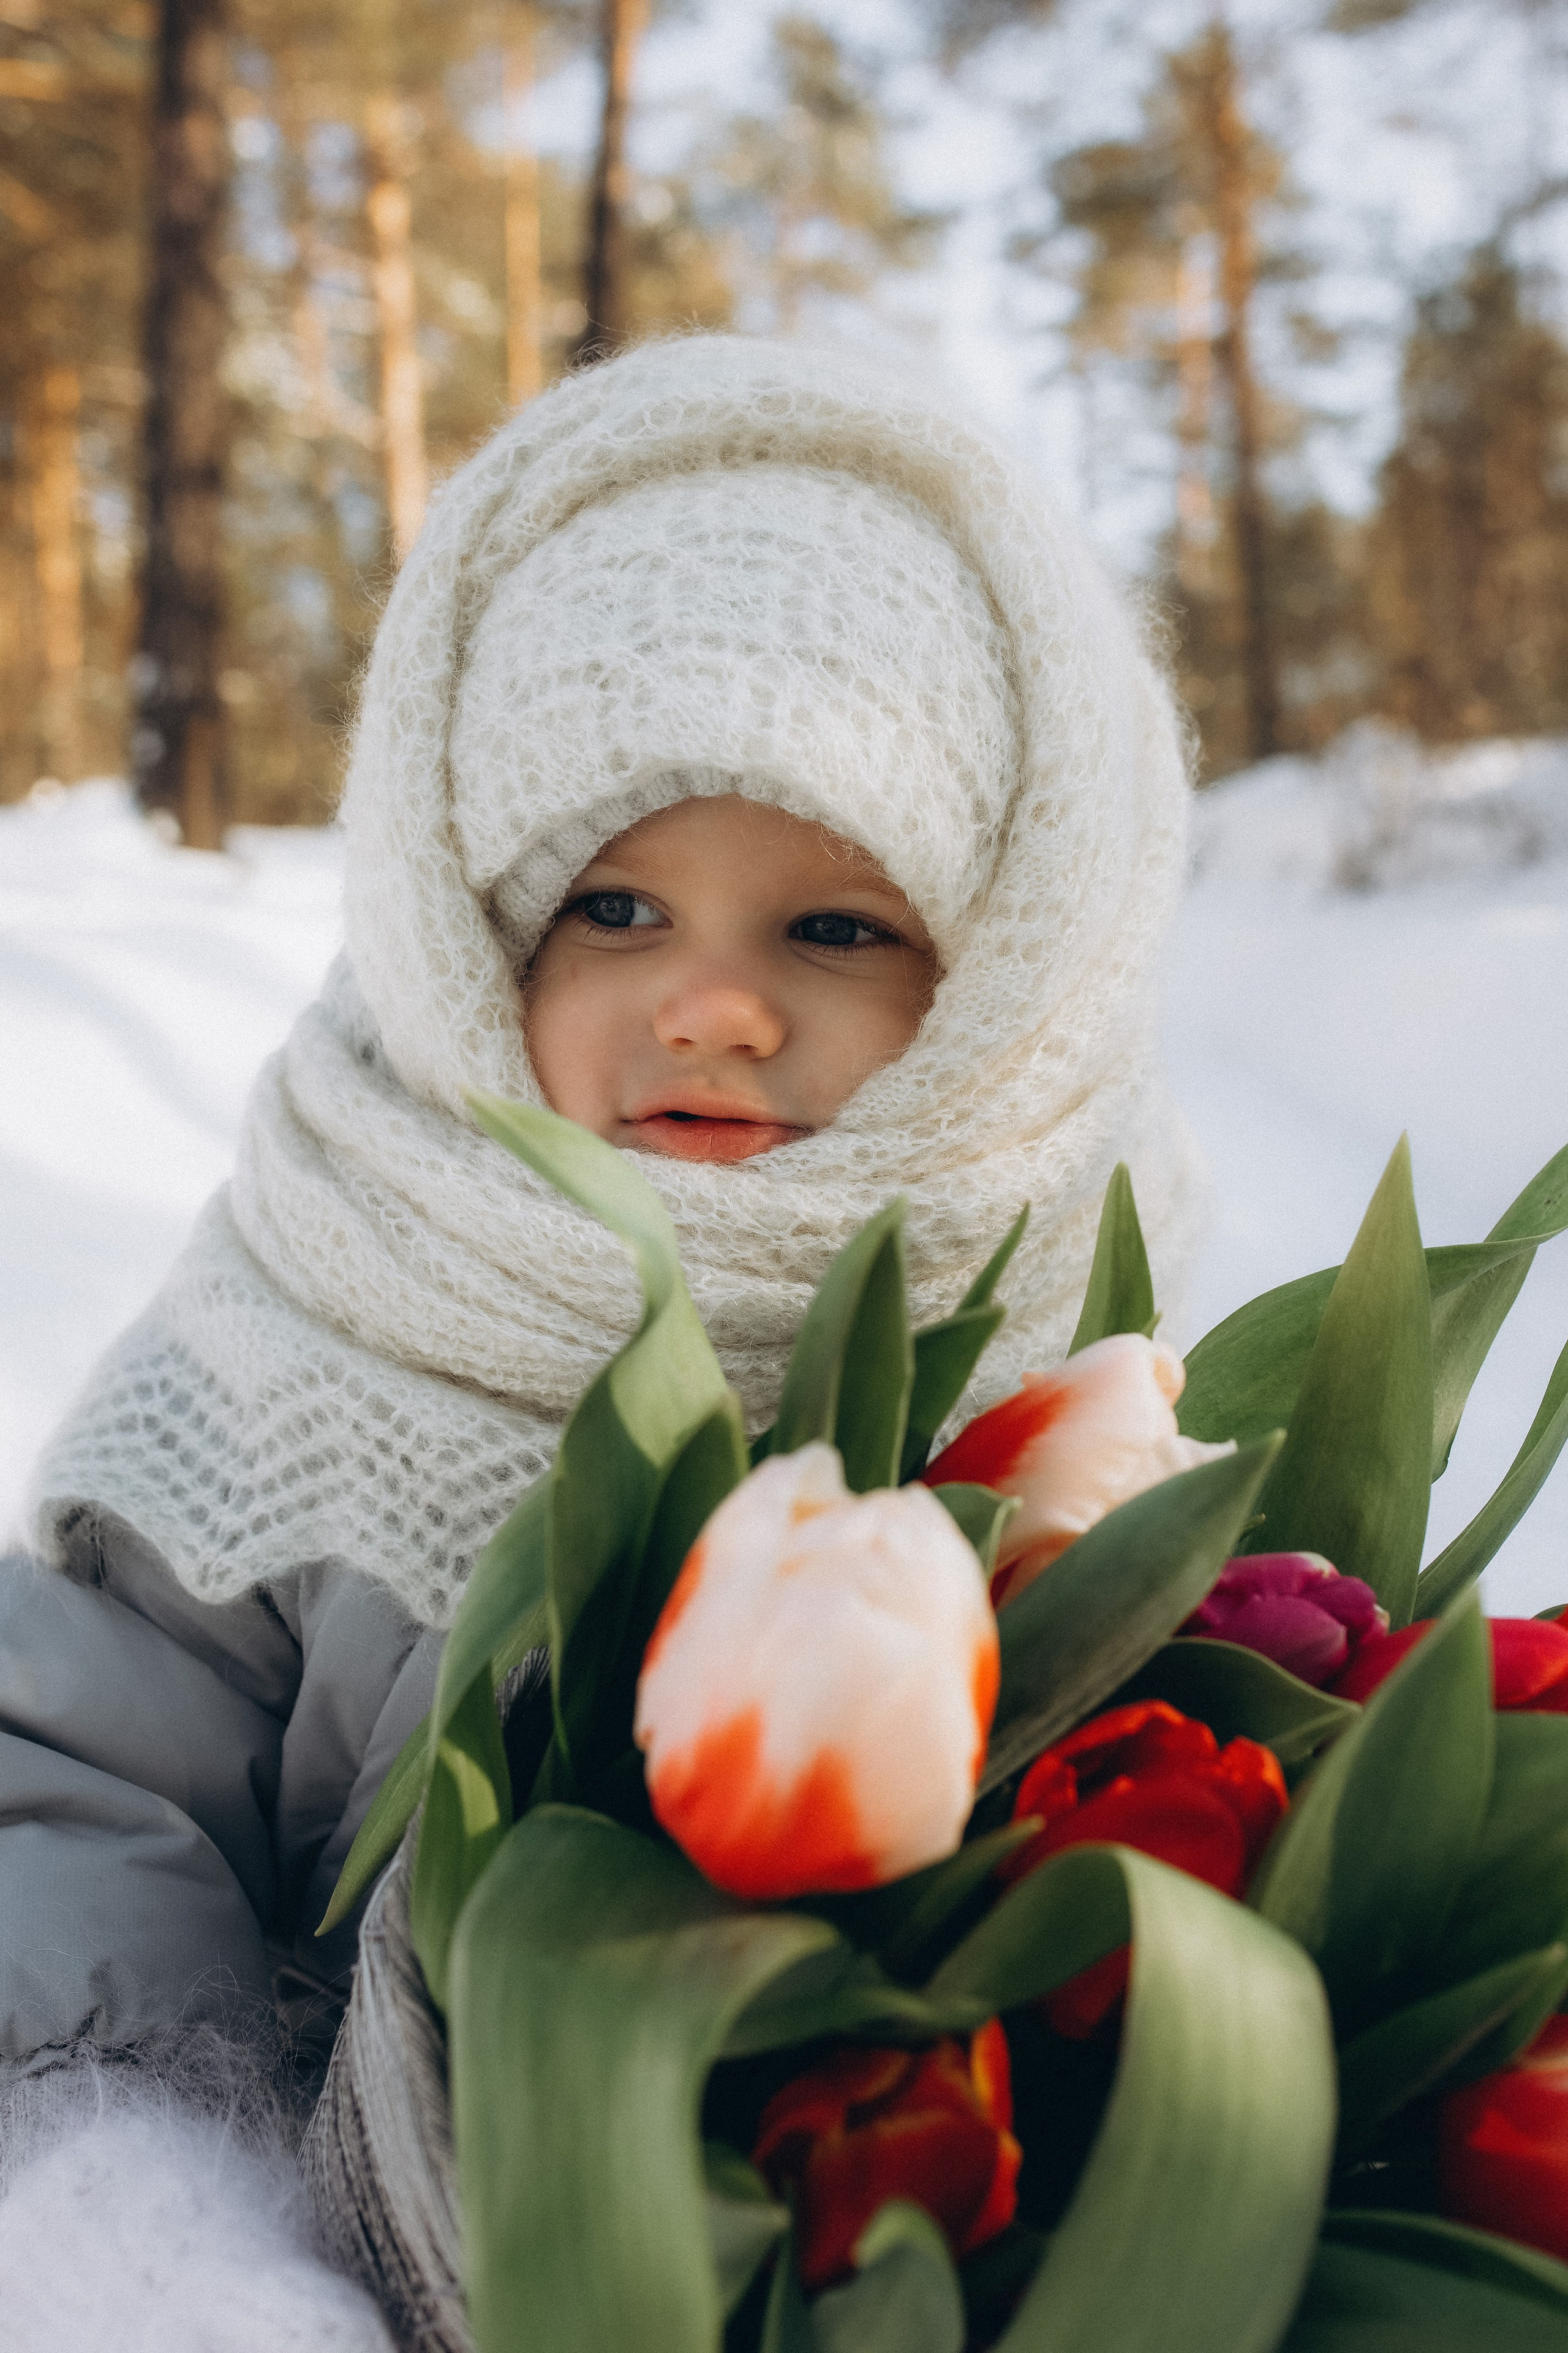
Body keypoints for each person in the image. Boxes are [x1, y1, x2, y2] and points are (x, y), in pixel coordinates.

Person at [0, 333, 1204, 2344]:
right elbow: (73, 1764)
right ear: (475, 930)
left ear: (1002, 972)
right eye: (617, 909)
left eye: (836, 926)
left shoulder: (1058, 1334)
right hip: (318, 2254)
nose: (711, 1003)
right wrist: (138, 2194)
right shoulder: (328, 1294)